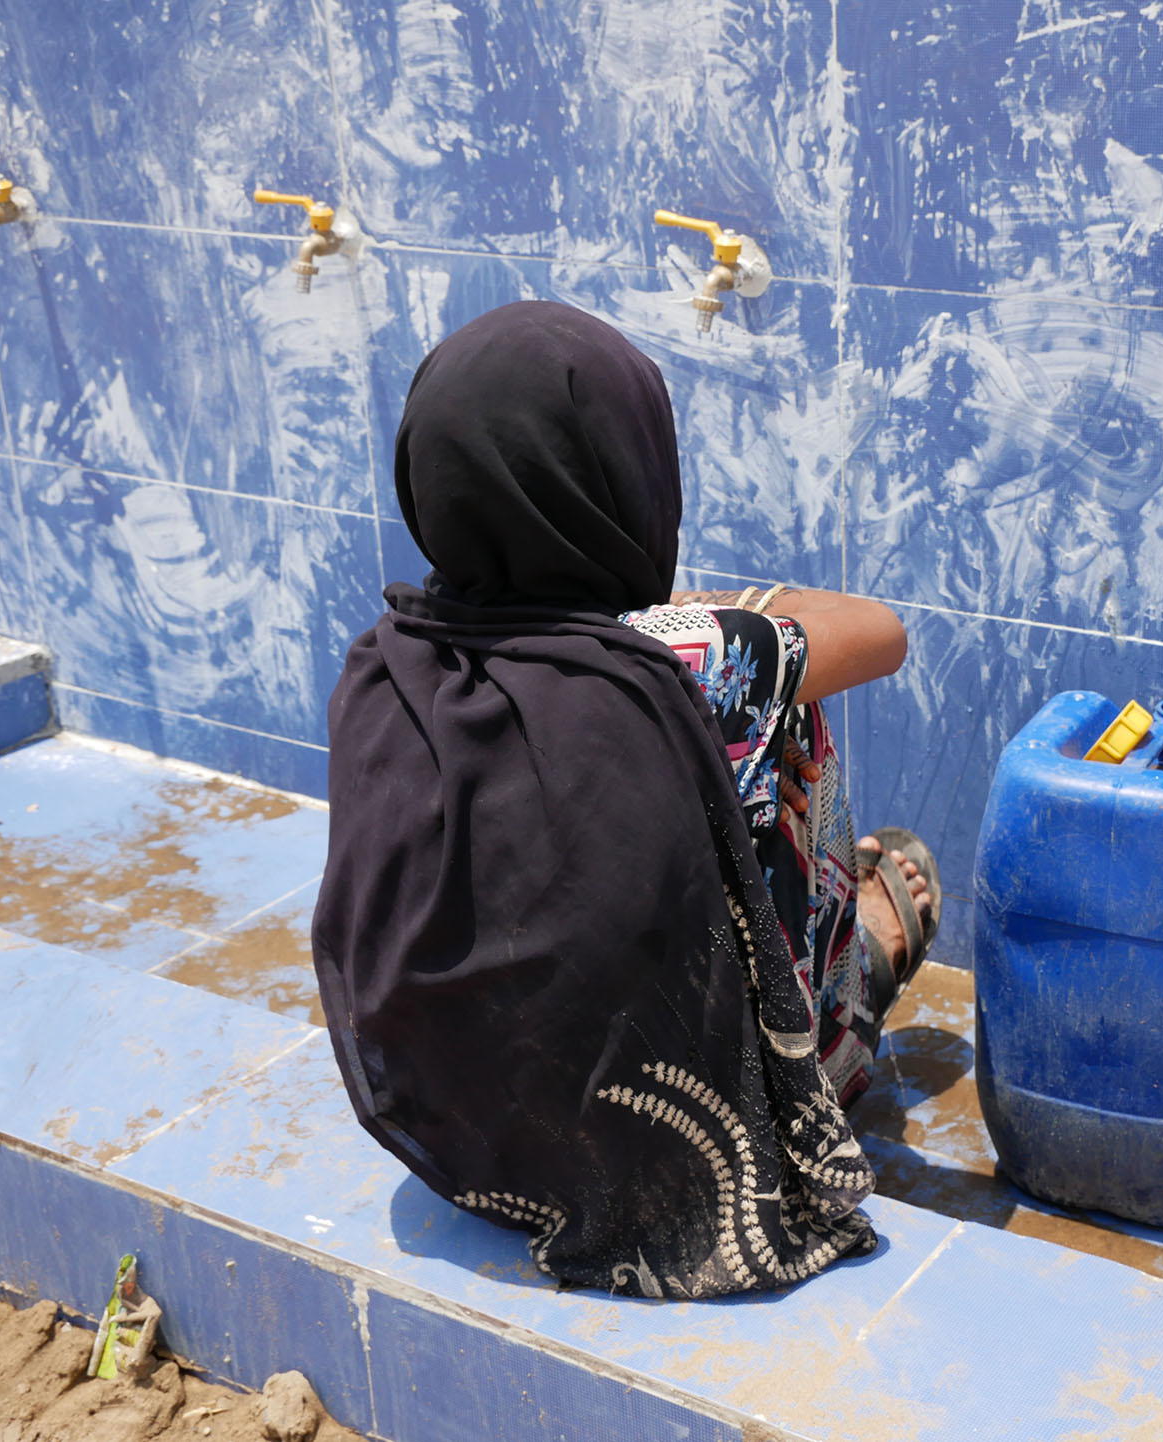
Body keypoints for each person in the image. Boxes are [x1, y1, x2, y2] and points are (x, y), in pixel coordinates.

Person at [311, 301, 938, 1300]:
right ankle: (830, 1020)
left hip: (457, 1138)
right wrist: (728, 616)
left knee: (738, 708)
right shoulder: (678, 661)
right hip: (657, 1155)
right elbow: (881, 631)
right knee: (786, 717)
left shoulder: (385, 663)